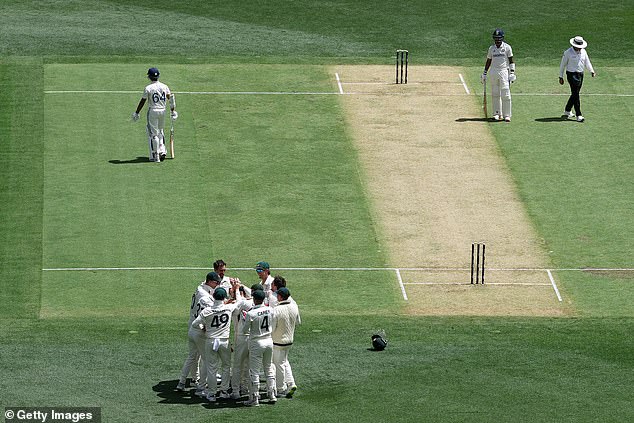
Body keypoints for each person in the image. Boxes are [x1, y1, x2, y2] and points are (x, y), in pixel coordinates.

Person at [176, 271, 222, 393]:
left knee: (192, 356)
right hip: (199, 329)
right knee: (206, 358)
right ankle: (202, 384)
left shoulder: (200, 288)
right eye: (216, 283)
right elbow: (214, 310)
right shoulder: (205, 297)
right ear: (210, 282)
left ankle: (182, 382)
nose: (217, 285)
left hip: (192, 326)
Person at [191, 287, 239, 402]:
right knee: (226, 367)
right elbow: (238, 303)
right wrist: (236, 290)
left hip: (211, 341)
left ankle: (211, 393)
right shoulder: (228, 308)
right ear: (224, 298)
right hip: (224, 341)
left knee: (212, 368)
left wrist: (203, 328)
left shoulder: (207, 311)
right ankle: (223, 391)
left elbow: (194, 324)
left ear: (213, 297)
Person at [131, 67, 178, 162]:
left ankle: (156, 156)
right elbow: (171, 99)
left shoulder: (148, 88)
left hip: (153, 111)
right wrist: (173, 111)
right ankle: (162, 149)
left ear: (149, 77)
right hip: (163, 111)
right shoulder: (165, 86)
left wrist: (137, 112)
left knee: (153, 134)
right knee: (160, 131)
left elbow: (143, 101)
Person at [242, 289, 276, 406]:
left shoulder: (251, 313)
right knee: (268, 368)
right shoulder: (270, 309)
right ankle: (272, 394)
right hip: (269, 341)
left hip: (257, 342)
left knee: (254, 371)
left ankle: (254, 398)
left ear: (254, 299)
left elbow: (245, 330)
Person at [271, 287, 300, 399]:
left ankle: (280, 388)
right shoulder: (294, 306)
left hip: (278, 341)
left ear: (280, 297)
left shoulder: (276, 309)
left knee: (278, 365)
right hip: (289, 340)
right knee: (284, 361)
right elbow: (298, 322)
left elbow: (272, 328)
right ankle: (291, 383)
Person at [481, 28, 515, 122]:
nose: (497, 40)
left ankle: (507, 115)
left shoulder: (507, 47)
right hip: (493, 71)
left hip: (504, 71)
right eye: (496, 38)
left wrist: (512, 72)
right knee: (495, 93)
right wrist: (484, 73)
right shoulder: (491, 49)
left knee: (506, 93)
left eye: (499, 38)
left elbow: (511, 60)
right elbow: (489, 60)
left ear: (502, 38)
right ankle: (496, 113)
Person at [559, 36, 596, 122]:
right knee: (576, 94)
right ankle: (579, 115)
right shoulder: (568, 52)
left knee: (575, 93)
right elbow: (562, 65)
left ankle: (567, 110)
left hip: (580, 75)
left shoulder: (583, 51)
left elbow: (587, 61)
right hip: (571, 75)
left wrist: (592, 71)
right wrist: (560, 76)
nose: (579, 49)